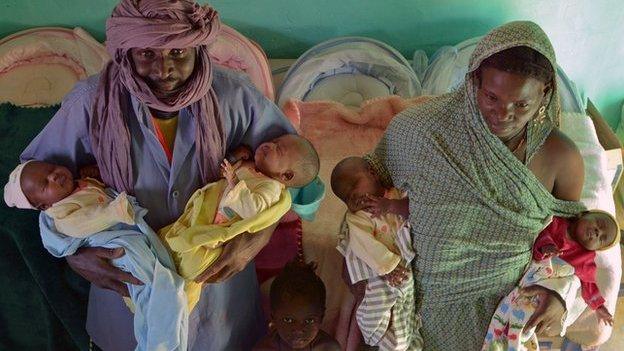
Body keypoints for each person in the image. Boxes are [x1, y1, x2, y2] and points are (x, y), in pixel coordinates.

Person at [20, 0, 296, 349]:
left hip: (220, 298)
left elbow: (297, 175)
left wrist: (258, 237)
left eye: (178, 52)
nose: (163, 68)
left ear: (198, 47)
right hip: (126, 290)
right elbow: (31, 190)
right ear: (125, 51)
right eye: (146, 53)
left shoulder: (235, 96)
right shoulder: (90, 104)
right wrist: (74, 256)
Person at [367, 21, 590, 349]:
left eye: (521, 105)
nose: (504, 114)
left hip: (506, 304)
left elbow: (573, 243)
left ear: (545, 93)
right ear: (474, 82)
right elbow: (369, 180)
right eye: (491, 97)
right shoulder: (420, 132)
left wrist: (561, 295)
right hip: (428, 298)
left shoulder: (562, 158)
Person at [3, 160, 188, 350]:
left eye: (51, 168)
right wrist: (115, 212)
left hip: (131, 239)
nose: (54, 175)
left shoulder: (80, 184)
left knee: (158, 293)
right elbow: (83, 223)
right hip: (118, 248)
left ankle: (156, 342)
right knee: (157, 287)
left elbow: (97, 191)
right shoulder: (61, 212)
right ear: (44, 206)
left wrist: (93, 175)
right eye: (45, 184)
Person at [161, 134, 319, 311]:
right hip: (206, 217)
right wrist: (235, 163)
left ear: (286, 175)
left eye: (278, 149)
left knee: (190, 268)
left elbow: (253, 209)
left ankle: (174, 304)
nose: (269, 144)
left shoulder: (272, 188)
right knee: (169, 242)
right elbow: (223, 176)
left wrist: (234, 181)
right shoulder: (253, 169)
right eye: (274, 141)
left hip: (217, 233)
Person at [483, 210, 619, 350]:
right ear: (583, 214)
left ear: (597, 249)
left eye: (602, 238)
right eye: (599, 224)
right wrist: (547, 246)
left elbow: (589, 284)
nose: (598, 232)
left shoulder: (585, 259)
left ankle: (513, 341)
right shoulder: (557, 223)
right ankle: (505, 338)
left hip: (546, 290)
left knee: (525, 326)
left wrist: (599, 307)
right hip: (531, 276)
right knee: (511, 316)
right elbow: (542, 234)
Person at [331, 156, 422, 350]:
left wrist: (389, 206)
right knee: (381, 306)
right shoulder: (359, 217)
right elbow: (362, 243)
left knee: (404, 313)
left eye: (354, 185)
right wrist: (388, 266)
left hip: (403, 267)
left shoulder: (396, 194)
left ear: (372, 174)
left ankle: (399, 341)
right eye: (348, 197)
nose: (355, 196)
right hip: (381, 272)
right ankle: (384, 337)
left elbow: (414, 209)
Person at [253, 260, 341, 351]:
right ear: (273, 316)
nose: (298, 330)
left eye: (309, 320)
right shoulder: (263, 349)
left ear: (321, 317)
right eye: (288, 320)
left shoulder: (328, 348)